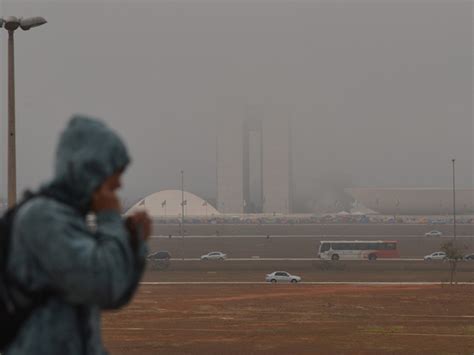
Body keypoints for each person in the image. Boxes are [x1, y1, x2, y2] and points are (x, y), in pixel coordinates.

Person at [5, 115, 150, 355]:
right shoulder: (43, 218)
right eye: (114, 173)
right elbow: (102, 285)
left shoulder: (70, 219)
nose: (119, 185)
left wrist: (133, 244)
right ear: (90, 171)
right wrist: (110, 220)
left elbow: (115, 296)